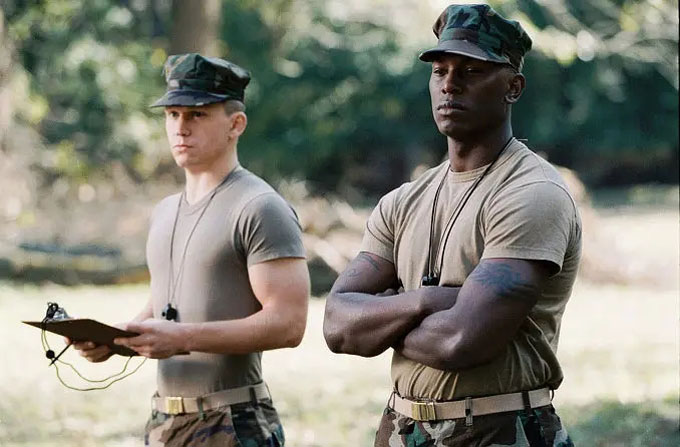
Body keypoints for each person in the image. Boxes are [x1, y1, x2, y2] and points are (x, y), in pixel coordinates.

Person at [323, 4, 581, 446]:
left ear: (513, 87)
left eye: (471, 71)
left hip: (497, 429)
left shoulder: (531, 193)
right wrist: (426, 300)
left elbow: (461, 340)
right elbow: (337, 325)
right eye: (439, 71)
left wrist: (384, 318)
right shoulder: (402, 201)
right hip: (402, 427)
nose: (450, 84)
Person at [72, 53, 310, 446]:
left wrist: (183, 338)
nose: (181, 128)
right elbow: (167, 306)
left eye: (197, 115)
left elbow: (289, 324)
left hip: (233, 422)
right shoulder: (165, 211)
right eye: (172, 114)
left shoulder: (260, 207)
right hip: (163, 422)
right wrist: (114, 341)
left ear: (236, 124)